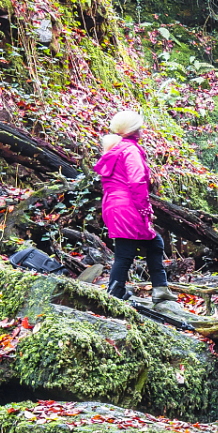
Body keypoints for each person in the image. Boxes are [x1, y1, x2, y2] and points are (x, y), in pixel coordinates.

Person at [93, 109, 177, 307]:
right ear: (133, 130)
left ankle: (155, 289)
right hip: (128, 206)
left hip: (113, 205)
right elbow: (137, 181)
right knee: (127, 251)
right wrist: (145, 209)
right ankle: (116, 293)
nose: (141, 129)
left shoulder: (115, 149)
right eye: (138, 126)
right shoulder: (130, 150)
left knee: (152, 244)